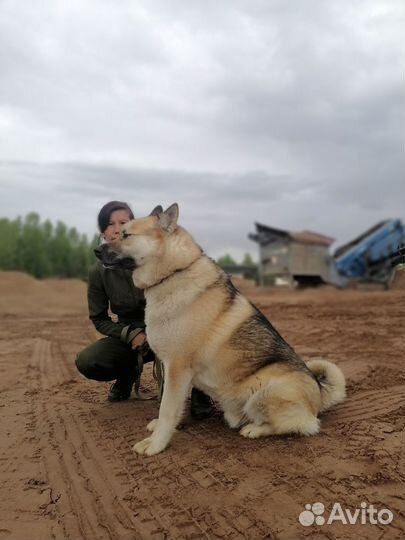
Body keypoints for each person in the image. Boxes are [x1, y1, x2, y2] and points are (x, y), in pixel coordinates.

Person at [75, 200, 214, 420]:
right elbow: (99, 318)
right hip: (135, 334)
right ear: (103, 232)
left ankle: (202, 392)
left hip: (172, 328)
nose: (118, 228)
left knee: (207, 333)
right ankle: (128, 373)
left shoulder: (159, 258)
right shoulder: (99, 273)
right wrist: (130, 334)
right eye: (111, 224)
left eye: (124, 222)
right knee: (89, 361)